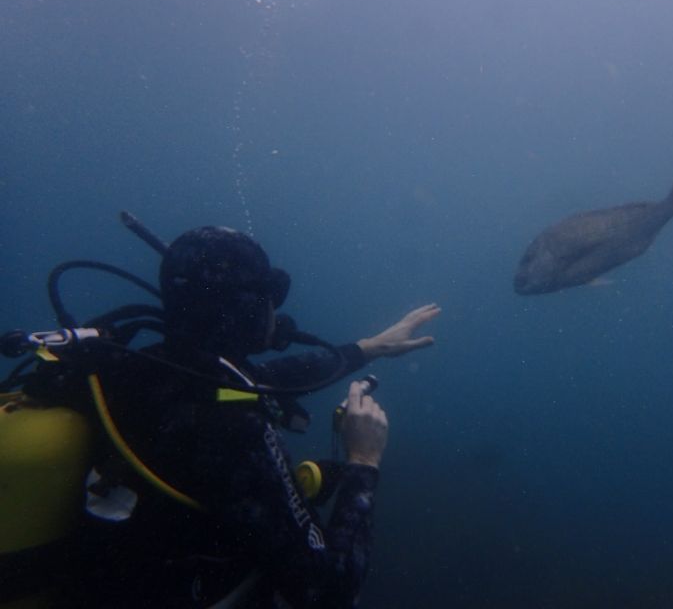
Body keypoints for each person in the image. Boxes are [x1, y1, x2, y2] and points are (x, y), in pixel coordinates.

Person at [3, 225, 440, 608]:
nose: (276, 311)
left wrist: (368, 348)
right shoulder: (230, 427)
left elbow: (264, 378)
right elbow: (329, 590)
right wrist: (364, 460)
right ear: (246, 310)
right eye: (271, 296)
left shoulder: (135, 370)